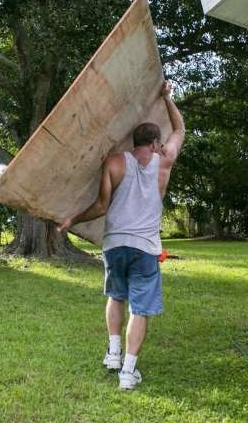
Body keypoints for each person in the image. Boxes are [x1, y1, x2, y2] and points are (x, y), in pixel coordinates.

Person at [56, 80, 185, 390]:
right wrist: (168, 98)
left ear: (133, 140)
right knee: (140, 308)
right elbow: (180, 130)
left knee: (116, 295)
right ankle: (127, 372)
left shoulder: (114, 162)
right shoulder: (164, 162)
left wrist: (74, 217)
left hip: (114, 244)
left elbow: (101, 206)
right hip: (145, 247)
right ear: (155, 144)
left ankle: (113, 353)